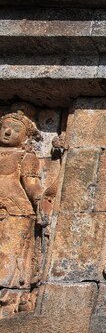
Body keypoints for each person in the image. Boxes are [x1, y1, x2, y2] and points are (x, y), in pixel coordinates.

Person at [0, 109, 44, 314]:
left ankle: (10, 297)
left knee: (7, 255)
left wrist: (41, 202)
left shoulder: (25, 156)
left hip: (15, 211)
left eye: (15, 129)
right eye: (4, 127)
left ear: (25, 136)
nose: (7, 132)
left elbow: (31, 184)